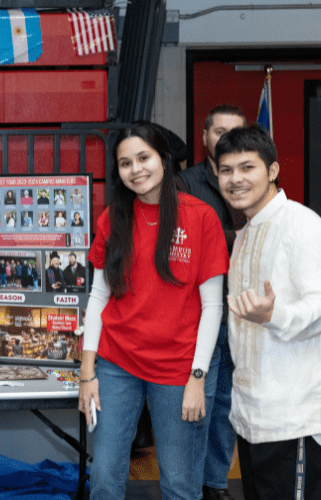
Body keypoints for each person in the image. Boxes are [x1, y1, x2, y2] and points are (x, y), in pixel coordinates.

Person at [79, 122, 228, 500]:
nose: (136, 170)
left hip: (179, 369)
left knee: (179, 483)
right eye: (125, 163)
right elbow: (98, 297)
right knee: (105, 479)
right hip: (117, 364)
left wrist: (198, 377)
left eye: (143, 158)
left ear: (163, 159)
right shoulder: (113, 218)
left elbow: (212, 306)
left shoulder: (200, 217)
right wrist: (87, 373)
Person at [216, 125, 321, 499]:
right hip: (250, 419)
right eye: (226, 170)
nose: (236, 179)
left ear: (273, 171)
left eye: (247, 167)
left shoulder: (302, 225)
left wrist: (273, 317)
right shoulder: (244, 234)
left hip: (293, 421)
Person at [177, 104, 246, 500]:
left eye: (234, 132)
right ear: (204, 136)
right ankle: (191, 485)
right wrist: (243, 239)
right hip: (201, 314)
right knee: (197, 408)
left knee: (228, 407)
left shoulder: (248, 180)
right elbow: (187, 242)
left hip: (245, 313)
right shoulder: (184, 184)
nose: (226, 139)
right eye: (218, 131)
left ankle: (215, 482)